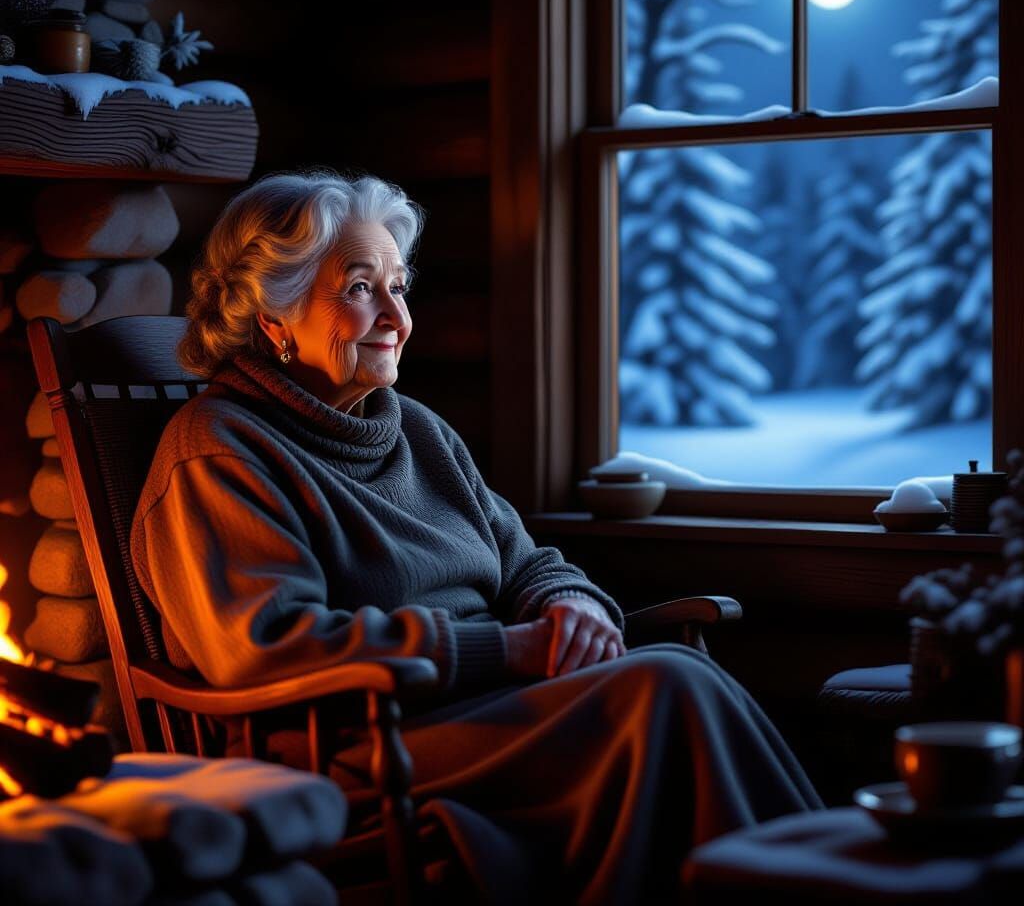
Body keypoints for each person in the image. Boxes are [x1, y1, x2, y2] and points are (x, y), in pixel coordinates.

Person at [130, 170, 821, 903]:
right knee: (665, 684)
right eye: (361, 288)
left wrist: (570, 605)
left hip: (480, 713)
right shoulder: (219, 450)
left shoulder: (415, 429)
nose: (395, 316)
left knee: (684, 677)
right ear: (274, 316)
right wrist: (507, 648)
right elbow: (268, 644)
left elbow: (526, 562)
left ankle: (830, 885)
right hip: (357, 743)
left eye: (398, 287)